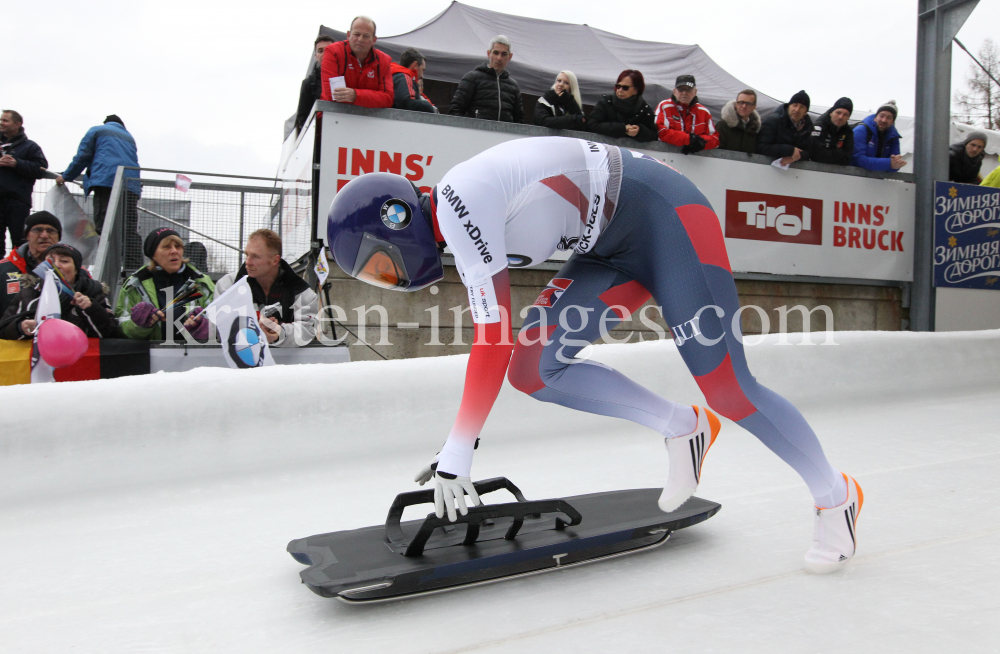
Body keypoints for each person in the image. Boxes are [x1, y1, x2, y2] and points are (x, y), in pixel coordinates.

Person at [327, 136, 863, 575]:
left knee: (727, 387)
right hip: (609, 248)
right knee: (533, 367)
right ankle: (683, 428)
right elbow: (504, 344)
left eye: (381, 265)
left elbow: (492, 334)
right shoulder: (458, 220)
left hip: (667, 216)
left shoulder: (461, 201)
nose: (391, 278)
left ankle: (835, 496)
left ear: (396, 221)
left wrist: (459, 449)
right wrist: (456, 448)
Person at [56, 115, 143, 269]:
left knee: (104, 226)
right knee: (129, 228)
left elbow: (83, 155)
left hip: (107, 183)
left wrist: (66, 176)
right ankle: (133, 268)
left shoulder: (98, 130)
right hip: (131, 186)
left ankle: (109, 265)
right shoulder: (129, 137)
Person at [215, 229, 318, 347]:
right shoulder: (227, 286)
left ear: (275, 260)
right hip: (240, 360)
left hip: (285, 363)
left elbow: (308, 330)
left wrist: (279, 332)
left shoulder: (302, 292)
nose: (248, 262)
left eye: (255, 256)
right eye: (247, 254)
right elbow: (218, 327)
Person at [0, 243, 122, 340]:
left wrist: (91, 309)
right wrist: (20, 328)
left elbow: (110, 334)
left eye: (64, 261)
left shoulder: (94, 292)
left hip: (81, 367)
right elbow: (3, 329)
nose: (56, 265)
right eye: (50, 261)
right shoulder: (29, 292)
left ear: (76, 270)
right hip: (36, 367)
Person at [114, 228, 214, 341]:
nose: (174, 251)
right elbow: (121, 328)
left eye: (178, 246)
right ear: (153, 255)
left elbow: (220, 321)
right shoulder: (134, 284)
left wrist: (205, 328)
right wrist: (139, 324)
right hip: (149, 357)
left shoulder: (202, 282)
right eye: (166, 247)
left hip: (194, 357)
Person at [319, 16, 393, 108]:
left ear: (374, 40)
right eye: (357, 34)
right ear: (349, 35)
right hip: (332, 117)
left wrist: (355, 95)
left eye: (366, 36)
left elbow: (388, 99)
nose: (360, 39)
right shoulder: (333, 52)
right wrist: (368, 98)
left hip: (367, 120)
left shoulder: (384, 61)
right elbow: (334, 94)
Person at [0, 110, 48, 249]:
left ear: (17, 124)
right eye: (1, 120)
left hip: (18, 201)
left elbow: (41, 169)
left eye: (5, 120)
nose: (1, 123)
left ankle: (22, 269)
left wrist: (17, 164)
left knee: (20, 239)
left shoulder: (30, 147)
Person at [448, 36, 524, 123]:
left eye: (504, 54)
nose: (499, 58)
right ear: (489, 54)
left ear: (510, 57)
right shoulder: (472, 78)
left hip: (504, 135)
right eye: (496, 53)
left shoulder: (513, 86)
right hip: (475, 133)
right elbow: (455, 110)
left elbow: (519, 118)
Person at [0, 211, 61, 315]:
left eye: (51, 231)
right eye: (38, 230)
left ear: (58, 237)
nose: (45, 235)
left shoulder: (75, 272)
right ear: (27, 235)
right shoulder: (3, 270)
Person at [654, 75, 719, 154]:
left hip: (696, 162)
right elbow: (660, 132)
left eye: (689, 90)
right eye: (681, 89)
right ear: (674, 92)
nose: (684, 93)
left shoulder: (704, 112)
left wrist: (700, 143)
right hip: (666, 157)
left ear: (695, 92)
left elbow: (715, 139)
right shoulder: (664, 106)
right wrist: (689, 139)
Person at [586, 70, 657, 142]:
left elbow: (654, 135)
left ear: (636, 90)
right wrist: (623, 128)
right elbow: (591, 125)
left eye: (625, 88)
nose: (620, 90)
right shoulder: (606, 102)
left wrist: (639, 131)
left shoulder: (645, 109)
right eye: (618, 86)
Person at [757, 90, 814, 165]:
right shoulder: (773, 121)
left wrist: (796, 156)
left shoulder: (809, 128)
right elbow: (761, 147)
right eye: (795, 105)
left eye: (802, 107)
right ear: (789, 106)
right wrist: (790, 150)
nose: (797, 110)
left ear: (806, 112)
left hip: (792, 173)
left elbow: (810, 152)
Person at [295, 35, 336, 133]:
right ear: (316, 56)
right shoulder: (309, 83)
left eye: (328, 50)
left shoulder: (348, 77)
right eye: (320, 51)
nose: (324, 54)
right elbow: (302, 119)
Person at [852, 101, 906, 172]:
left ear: (893, 122)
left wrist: (895, 164)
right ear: (875, 117)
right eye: (882, 116)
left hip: (877, 181)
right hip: (854, 179)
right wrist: (888, 163)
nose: (884, 120)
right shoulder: (861, 130)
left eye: (889, 118)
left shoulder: (893, 137)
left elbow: (895, 166)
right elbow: (857, 159)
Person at [809, 97, 855, 166]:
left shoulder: (848, 132)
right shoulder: (819, 126)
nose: (840, 117)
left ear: (848, 117)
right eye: (838, 113)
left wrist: (829, 153)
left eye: (845, 115)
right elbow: (817, 155)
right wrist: (840, 152)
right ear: (831, 113)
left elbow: (847, 159)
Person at [390, 48, 437, 113]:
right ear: (415, 65)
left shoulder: (395, 75)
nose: (422, 76)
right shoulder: (404, 77)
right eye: (422, 70)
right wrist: (428, 106)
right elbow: (406, 102)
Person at [716, 90, 761, 155]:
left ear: (754, 106)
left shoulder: (755, 130)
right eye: (741, 102)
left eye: (748, 104)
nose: (744, 106)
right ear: (736, 104)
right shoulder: (723, 125)